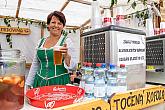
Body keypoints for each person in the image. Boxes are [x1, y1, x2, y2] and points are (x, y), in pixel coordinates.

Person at [25, 11, 76, 88]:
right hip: (39, 82)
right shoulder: (40, 42)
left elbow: (73, 67)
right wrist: (28, 84)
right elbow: (35, 64)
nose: (56, 25)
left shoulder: (67, 41)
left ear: (63, 26)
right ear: (48, 25)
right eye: (53, 22)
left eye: (59, 23)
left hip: (59, 82)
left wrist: (66, 56)